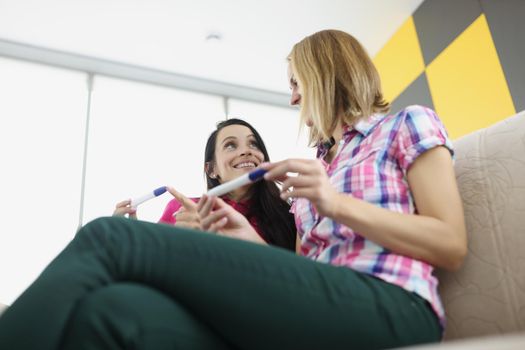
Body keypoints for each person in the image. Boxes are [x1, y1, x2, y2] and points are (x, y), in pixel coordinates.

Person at [0, 29, 467, 350]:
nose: (293, 98)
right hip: (321, 312)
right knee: (113, 311)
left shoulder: (407, 124)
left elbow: (451, 244)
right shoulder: (317, 170)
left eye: (295, 82)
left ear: (324, 74)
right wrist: (247, 235)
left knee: (109, 237)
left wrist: (335, 202)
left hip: (393, 306)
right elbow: (303, 275)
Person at [112, 118, 296, 251]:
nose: (246, 151)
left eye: (254, 144)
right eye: (231, 145)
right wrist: (130, 237)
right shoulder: (182, 209)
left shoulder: (288, 215)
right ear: (211, 170)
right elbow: (152, 264)